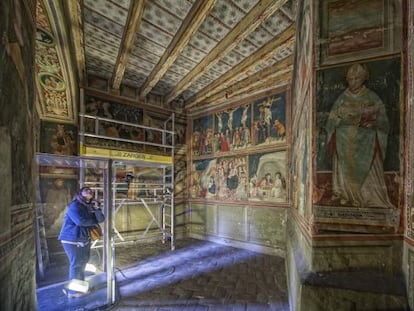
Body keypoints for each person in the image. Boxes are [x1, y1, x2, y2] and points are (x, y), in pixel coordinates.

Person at [325, 63, 394, 208]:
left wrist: (373, 123)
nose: (353, 82)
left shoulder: (372, 97)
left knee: (371, 158)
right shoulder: (342, 98)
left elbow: (383, 122)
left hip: (366, 141)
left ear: (363, 79)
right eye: (350, 79)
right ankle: (345, 193)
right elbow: (331, 121)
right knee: (341, 153)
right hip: (343, 140)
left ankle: (367, 196)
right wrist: (339, 120)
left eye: (356, 78)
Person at [58, 187, 105, 298]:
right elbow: (80, 221)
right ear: (80, 193)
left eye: (91, 191)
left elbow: (101, 219)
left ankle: (81, 287)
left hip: (82, 239)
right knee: (76, 265)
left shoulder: (88, 206)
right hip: (72, 239)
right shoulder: (75, 205)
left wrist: (97, 208)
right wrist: (94, 222)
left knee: (82, 263)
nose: (89, 192)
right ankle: (73, 292)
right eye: (86, 190)